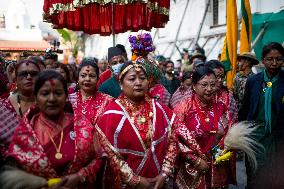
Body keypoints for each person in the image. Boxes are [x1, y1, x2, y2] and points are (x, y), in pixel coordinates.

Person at [96, 62, 207, 189]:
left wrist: (164, 173)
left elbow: (173, 140)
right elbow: (110, 154)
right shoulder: (111, 114)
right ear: (121, 84)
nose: (138, 82)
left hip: (159, 181)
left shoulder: (159, 109)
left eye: (142, 78)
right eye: (132, 79)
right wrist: (133, 180)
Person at [5, 70, 103, 188]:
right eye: (45, 93)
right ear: (35, 97)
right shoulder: (25, 132)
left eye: (58, 93)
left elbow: (98, 158)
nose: (52, 99)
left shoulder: (83, 125)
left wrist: (79, 176)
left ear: (66, 96)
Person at [174, 66, 237, 188]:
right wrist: (196, 161)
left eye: (213, 85)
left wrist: (221, 151)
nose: (209, 89)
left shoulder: (221, 107)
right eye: (204, 85)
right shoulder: (183, 108)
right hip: (191, 168)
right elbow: (175, 139)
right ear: (194, 86)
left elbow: (230, 134)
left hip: (218, 166)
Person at [239, 42, 284, 188]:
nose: (274, 63)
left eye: (279, 59)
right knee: (255, 177)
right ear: (263, 60)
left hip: (278, 139)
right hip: (255, 138)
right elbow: (245, 110)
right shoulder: (253, 81)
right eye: (270, 59)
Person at [0, 59, 40, 157]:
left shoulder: (49, 104)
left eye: (34, 74)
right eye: (23, 74)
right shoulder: (3, 106)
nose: (29, 77)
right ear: (16, 79)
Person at [69, 59, 113, 125]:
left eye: (92, 76)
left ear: (98, 79)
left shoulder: (108, 101)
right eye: (83, 76)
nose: (87, 79)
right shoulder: (70, 100)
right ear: (78, 78)